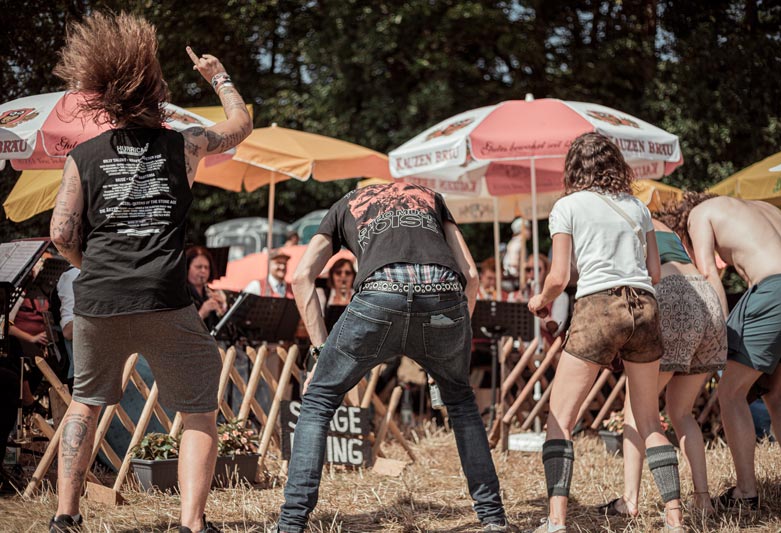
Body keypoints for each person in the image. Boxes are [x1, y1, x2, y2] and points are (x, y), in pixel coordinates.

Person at [48, 12, 252, 533]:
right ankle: (191, 524)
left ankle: (64, 518)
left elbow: (61, 234)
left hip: (98, 300)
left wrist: (90, 267)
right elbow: (241, 125)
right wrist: (219, 77)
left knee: (85, 404)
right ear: (152, 90)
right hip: (165, 297)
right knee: (198, 412)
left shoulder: (84, 155)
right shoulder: (185, 144)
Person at [272, 181, 519, 533]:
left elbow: (301, 278)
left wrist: (319, 352)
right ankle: (493, 518)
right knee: (462, 402)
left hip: (380, 294)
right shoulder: (429, 197)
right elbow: (471, 276)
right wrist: (452, 341)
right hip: (443, 293)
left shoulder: (347, 203)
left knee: (318, 400)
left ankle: (292, 522)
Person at [528, 132, 684, 533]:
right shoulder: (637, 206)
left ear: (574, 168)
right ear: (616, 164)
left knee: (560, 418)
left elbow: (560, 277)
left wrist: (539, 300)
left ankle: (556, 522)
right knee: (650, 420)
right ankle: (674, 520)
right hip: (645, 307)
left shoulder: (567, 206)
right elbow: (653, 272)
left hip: (599, 307)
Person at [661, 192, 781, 509]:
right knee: (776, 393)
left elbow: (708, 272)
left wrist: (717, 331)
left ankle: (746, 493)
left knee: (730, 393)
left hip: (774, 290)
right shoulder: (766, 208)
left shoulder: (699, 215)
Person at [598, 218, 727, 517]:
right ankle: (703, 500)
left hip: (672, 292)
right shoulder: (658, 222)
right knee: (682, 412)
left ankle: (629, 501)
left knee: (636, 406)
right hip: (704, 294)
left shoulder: (618, 218)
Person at [186, 245, 228, 331]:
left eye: (206, 267)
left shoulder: (211, 293)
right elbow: (182, 331)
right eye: (198, 267)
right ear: (187, 268)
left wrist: (223, 308)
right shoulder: (181, 294)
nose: (203, 271)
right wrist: (202, 312)